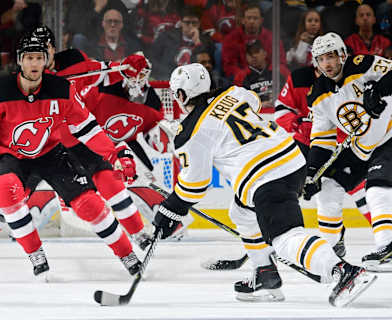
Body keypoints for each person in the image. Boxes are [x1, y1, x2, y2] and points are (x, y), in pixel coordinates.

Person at [152, 62, 376, 306]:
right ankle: (264, 274)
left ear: (182, 95)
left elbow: (195, 183)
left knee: (285, 238)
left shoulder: (190, 132)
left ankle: (343, 271)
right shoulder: (234, 93)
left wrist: (169, 209)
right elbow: (253, 103)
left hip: (265, 177)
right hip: (291, 158)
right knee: (240, 213)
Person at [0, 33, 144, 279]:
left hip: (52, 152)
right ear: (20, 61)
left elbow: (89, 129)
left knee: (90, 204)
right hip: (13, 157)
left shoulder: (62, 88)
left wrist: (113, 155)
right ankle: (34, 255)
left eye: (39, 58)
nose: (35, 64)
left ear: (47, 58)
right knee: (6, 193)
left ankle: (128, 255)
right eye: (29, 58)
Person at [304, 31, 392, 272]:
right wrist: (312, 172)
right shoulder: (317, 94)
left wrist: (379, 91)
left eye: (331, 57)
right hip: (361, 146)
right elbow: (322, 140)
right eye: (321, 59)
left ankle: (388, 246)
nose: (327, 64)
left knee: (376, 189)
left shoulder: (362, 64)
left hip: (389, 136)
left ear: (342, 54)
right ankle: (329, 253)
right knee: (328, 188)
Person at [275, 65, 371, 258]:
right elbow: (280, 110)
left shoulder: (351, 80)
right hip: (307, 148)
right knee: (297, 192)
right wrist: (297, 123)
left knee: (361, 192)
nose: (326, 68)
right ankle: (284, 238)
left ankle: (387, 237)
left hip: (344, 146)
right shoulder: (300, 78)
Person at [221, 3, 287, 78]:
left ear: (261, 20)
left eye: (255, 18)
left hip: (269, 76)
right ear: (243, 20)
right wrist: (245, 75)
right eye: (249, 18)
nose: (252, 21)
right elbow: (229, 66)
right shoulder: (231, 38)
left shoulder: (272, 37)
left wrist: (267, 73)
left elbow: (280, 62)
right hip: (243, 80)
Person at [150, 5, 215, 80]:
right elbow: (153, 59)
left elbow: (208, 65)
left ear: (199, 23)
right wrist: (170, 74)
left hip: (195, 79)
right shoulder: (166, 37)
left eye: (194, 23)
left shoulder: (206, 41)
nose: (190, 26)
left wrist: (197, 43)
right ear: (181, 23)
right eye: (187, 22)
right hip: (168, 77)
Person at [234, 39, 289, 109]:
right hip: (256, 115)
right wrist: (258, 105)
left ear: (265, 53)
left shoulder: (281, 70)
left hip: (280, 110)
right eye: (250, 53)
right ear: (246, 57)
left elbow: (293, 92)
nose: (253, 56)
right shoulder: (240, 76)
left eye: (256, 52)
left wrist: (282, 99)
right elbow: (237, 102)